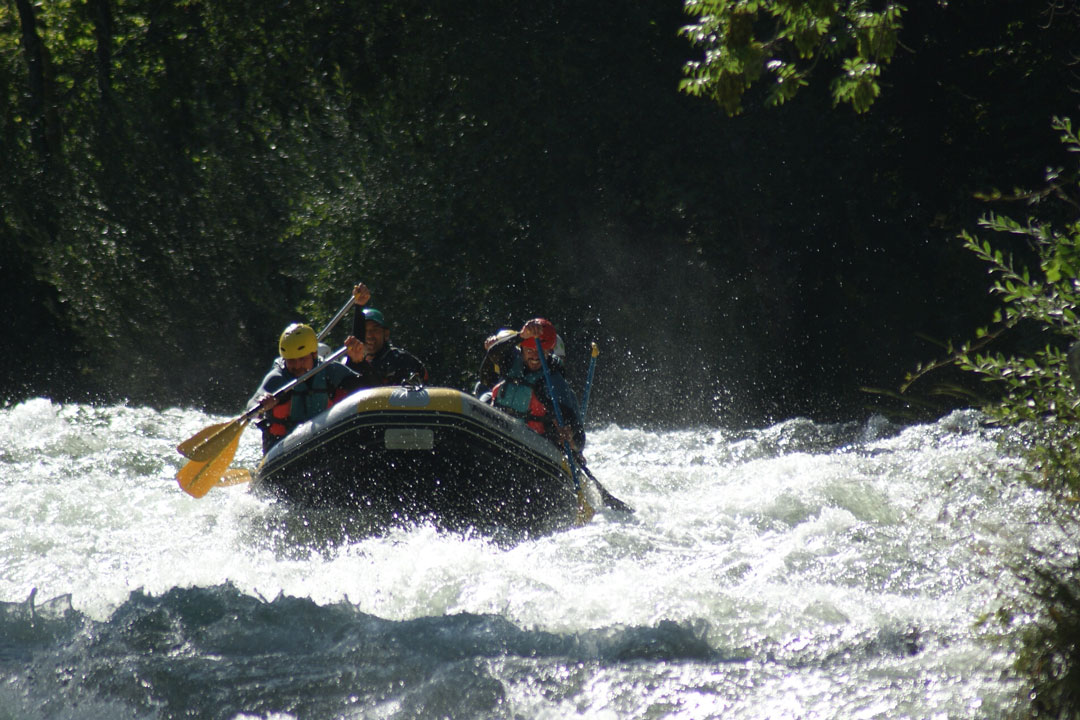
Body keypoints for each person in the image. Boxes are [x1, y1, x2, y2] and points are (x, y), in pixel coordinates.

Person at [249, 322, 368, 453]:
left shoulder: (330, 370)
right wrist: (262, 403)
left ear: (314, 354)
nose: (297, 365)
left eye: (302, 359)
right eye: (291, 360)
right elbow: (252, 404)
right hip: (282, 451)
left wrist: (359, 362)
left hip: (323, 445)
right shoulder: (278, 377)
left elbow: (368, 389)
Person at [480, 318, 585, 451]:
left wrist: (570, 437)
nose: (535, 357)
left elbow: (580, 439)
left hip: (534, 447)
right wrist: (520, 336)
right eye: (530, 350)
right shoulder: (511, 362)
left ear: (549, 352)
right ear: (522, 348)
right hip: (500, 433)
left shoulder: (554, 383)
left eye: (542, 352)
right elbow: (492, 357)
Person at [345, 290, 429, 386]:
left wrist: (362, 364)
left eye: (375, 330)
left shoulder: (400, 360)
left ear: (386, 334)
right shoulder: (352, 363)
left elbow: (386, 394)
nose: (369, 335)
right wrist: (358, 306)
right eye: (365, 331)